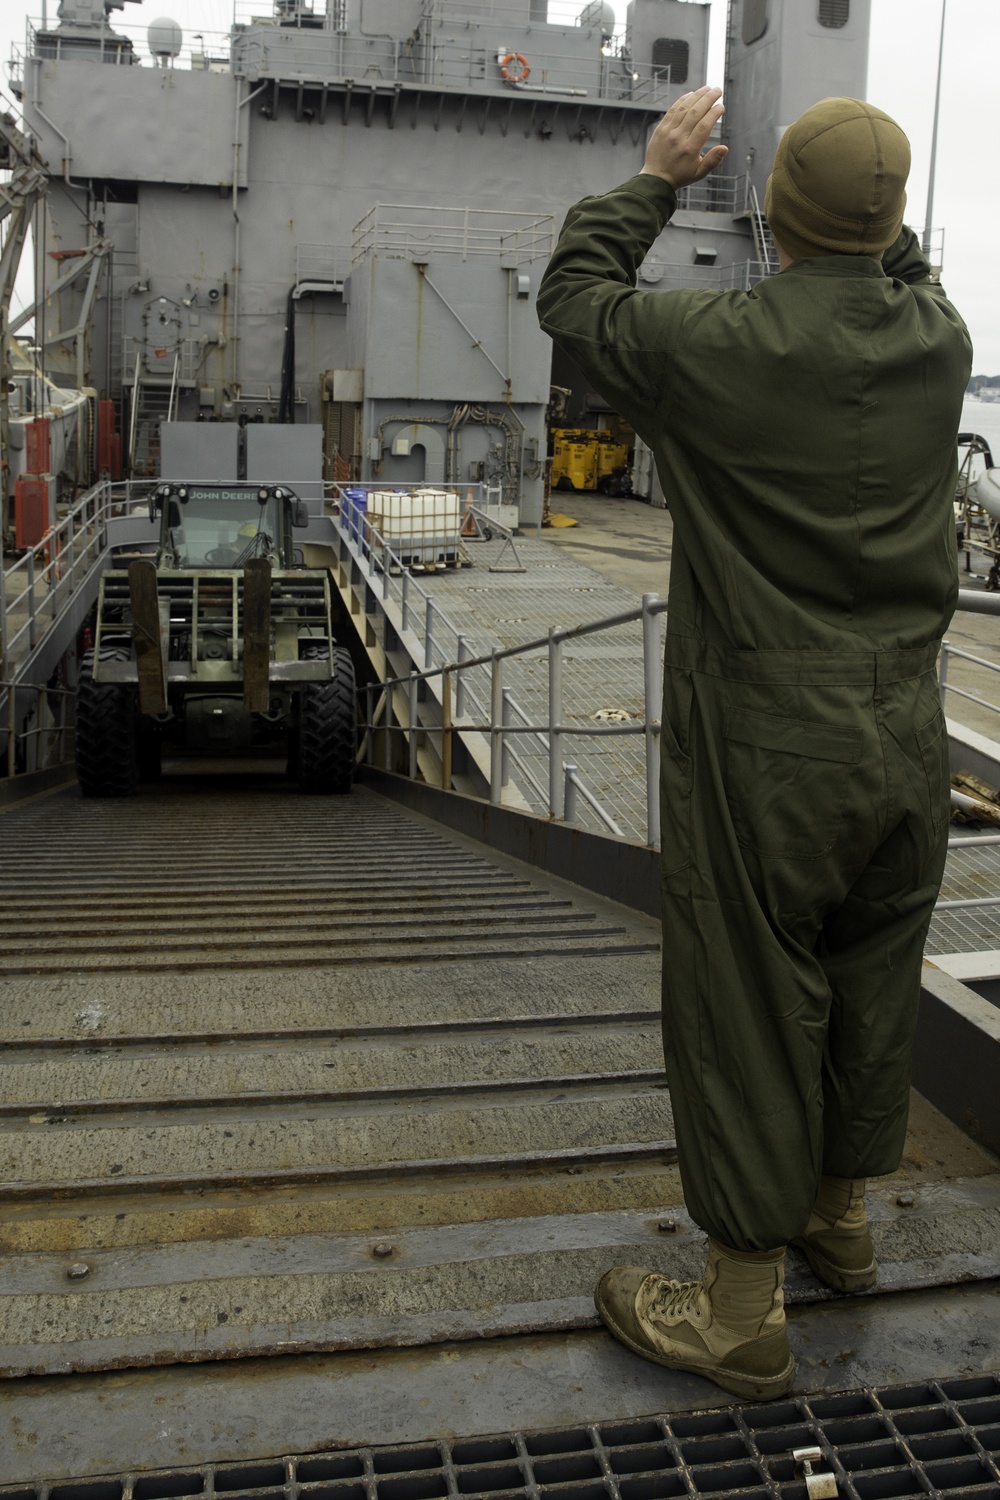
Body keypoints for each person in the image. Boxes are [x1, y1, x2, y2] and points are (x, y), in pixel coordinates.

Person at [536, 89, 972, 1400]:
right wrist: (865, 203)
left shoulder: (712, 344)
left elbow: (574, 295)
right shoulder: (941, 343)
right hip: (906, 733)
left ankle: (735, 1313)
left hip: (766, 747)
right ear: (889, 222)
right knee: (870, 976)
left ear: (774, 215)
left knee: (747, 995)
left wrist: (658, 178)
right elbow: (895, 258)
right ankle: (841, 1224)